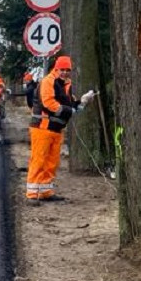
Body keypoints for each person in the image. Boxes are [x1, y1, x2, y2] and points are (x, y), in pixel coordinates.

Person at [26, 56, 95, 204]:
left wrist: (83, 101)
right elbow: (49, 103)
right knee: (39, 160)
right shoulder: (48, 81)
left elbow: (70, 105)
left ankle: (45, 191)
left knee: (52, 161)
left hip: (56, 129)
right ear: (56, 69)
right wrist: (70, 110)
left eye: (67, 70)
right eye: (62, 69)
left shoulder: (65, 84)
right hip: (42, 127)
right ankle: (32, 193)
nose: (64, 72)